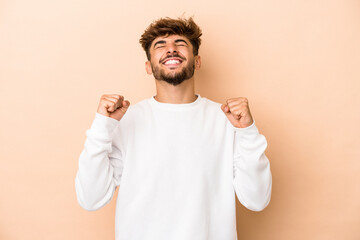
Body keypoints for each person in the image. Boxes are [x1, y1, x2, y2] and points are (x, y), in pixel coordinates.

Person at [75, 17, 272, 240]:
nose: (171, 49)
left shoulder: (228, 120)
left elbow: (257, 200)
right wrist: (102, 126)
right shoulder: (127, 121)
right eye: (160, 45)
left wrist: (247, 131)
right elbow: (91, 198)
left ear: (197, 61)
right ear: (148, 67)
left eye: (180, 43)